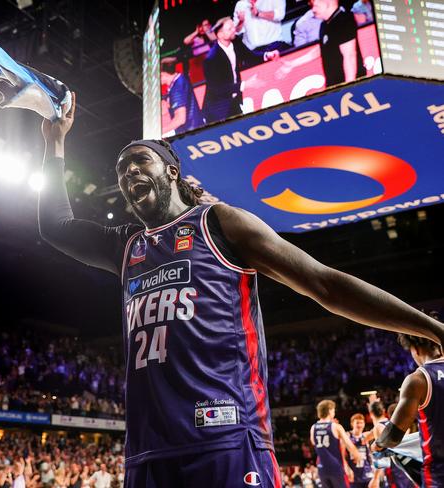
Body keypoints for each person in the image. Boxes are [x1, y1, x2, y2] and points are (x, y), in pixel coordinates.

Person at [38, 93, 444, 487]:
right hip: (148, 452)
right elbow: (55, 226)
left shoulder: (220, 223)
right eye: (121, 168)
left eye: (140, 160)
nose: (128, 173)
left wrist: (433, 328)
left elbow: (324, 283)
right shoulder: (127, 245)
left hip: (226, 440)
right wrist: (55, 143)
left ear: (172, 171)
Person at [374, 333, 444, 486]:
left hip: (439, 473)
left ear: (415, 349)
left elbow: (393, 436)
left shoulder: (419, 379)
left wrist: (378, 444)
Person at [202, 17, 276, 123]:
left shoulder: (236, 42)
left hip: (234, 102)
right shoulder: (212, 58)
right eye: (229, 28)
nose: (234, 30)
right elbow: (217, 89)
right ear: (220, 34)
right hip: (218, 108)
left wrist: (267, 55)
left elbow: (249, 56)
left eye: (233, 26)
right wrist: (245, 85)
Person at [276, 0, 365, 86]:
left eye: (316, 6)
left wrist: (349, 86)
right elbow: (322, 48)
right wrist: (293, 64)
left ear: (328, 2)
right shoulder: (325, 25)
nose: (313, 10)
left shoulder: (343, 20)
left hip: (350, 83)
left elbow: (349, 56)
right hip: (334, 84)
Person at [310, 400, 362, 488]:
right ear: (330, 410)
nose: (334, 412)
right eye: (333, 410)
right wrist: (357, 456)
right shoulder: (335, 426)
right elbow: (349, 445)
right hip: (335, 468)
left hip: (322, 468)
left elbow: (313, 442)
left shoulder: (313, 427)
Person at [160, 58, 204, 135]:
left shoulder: (177, 88)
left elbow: (180, 119)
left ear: (162, 74)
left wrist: (160, 132)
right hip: (195, 129)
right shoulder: (180, 79)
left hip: (190, 133)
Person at [347, 414, 378, 488]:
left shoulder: (366, 435)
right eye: (357, 423)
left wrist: (374, 416)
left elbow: (379, 429)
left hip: (367, 471)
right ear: (352, 423)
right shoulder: (347, 435)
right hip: (353, 471)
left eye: (361, 423)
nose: (359, 425)